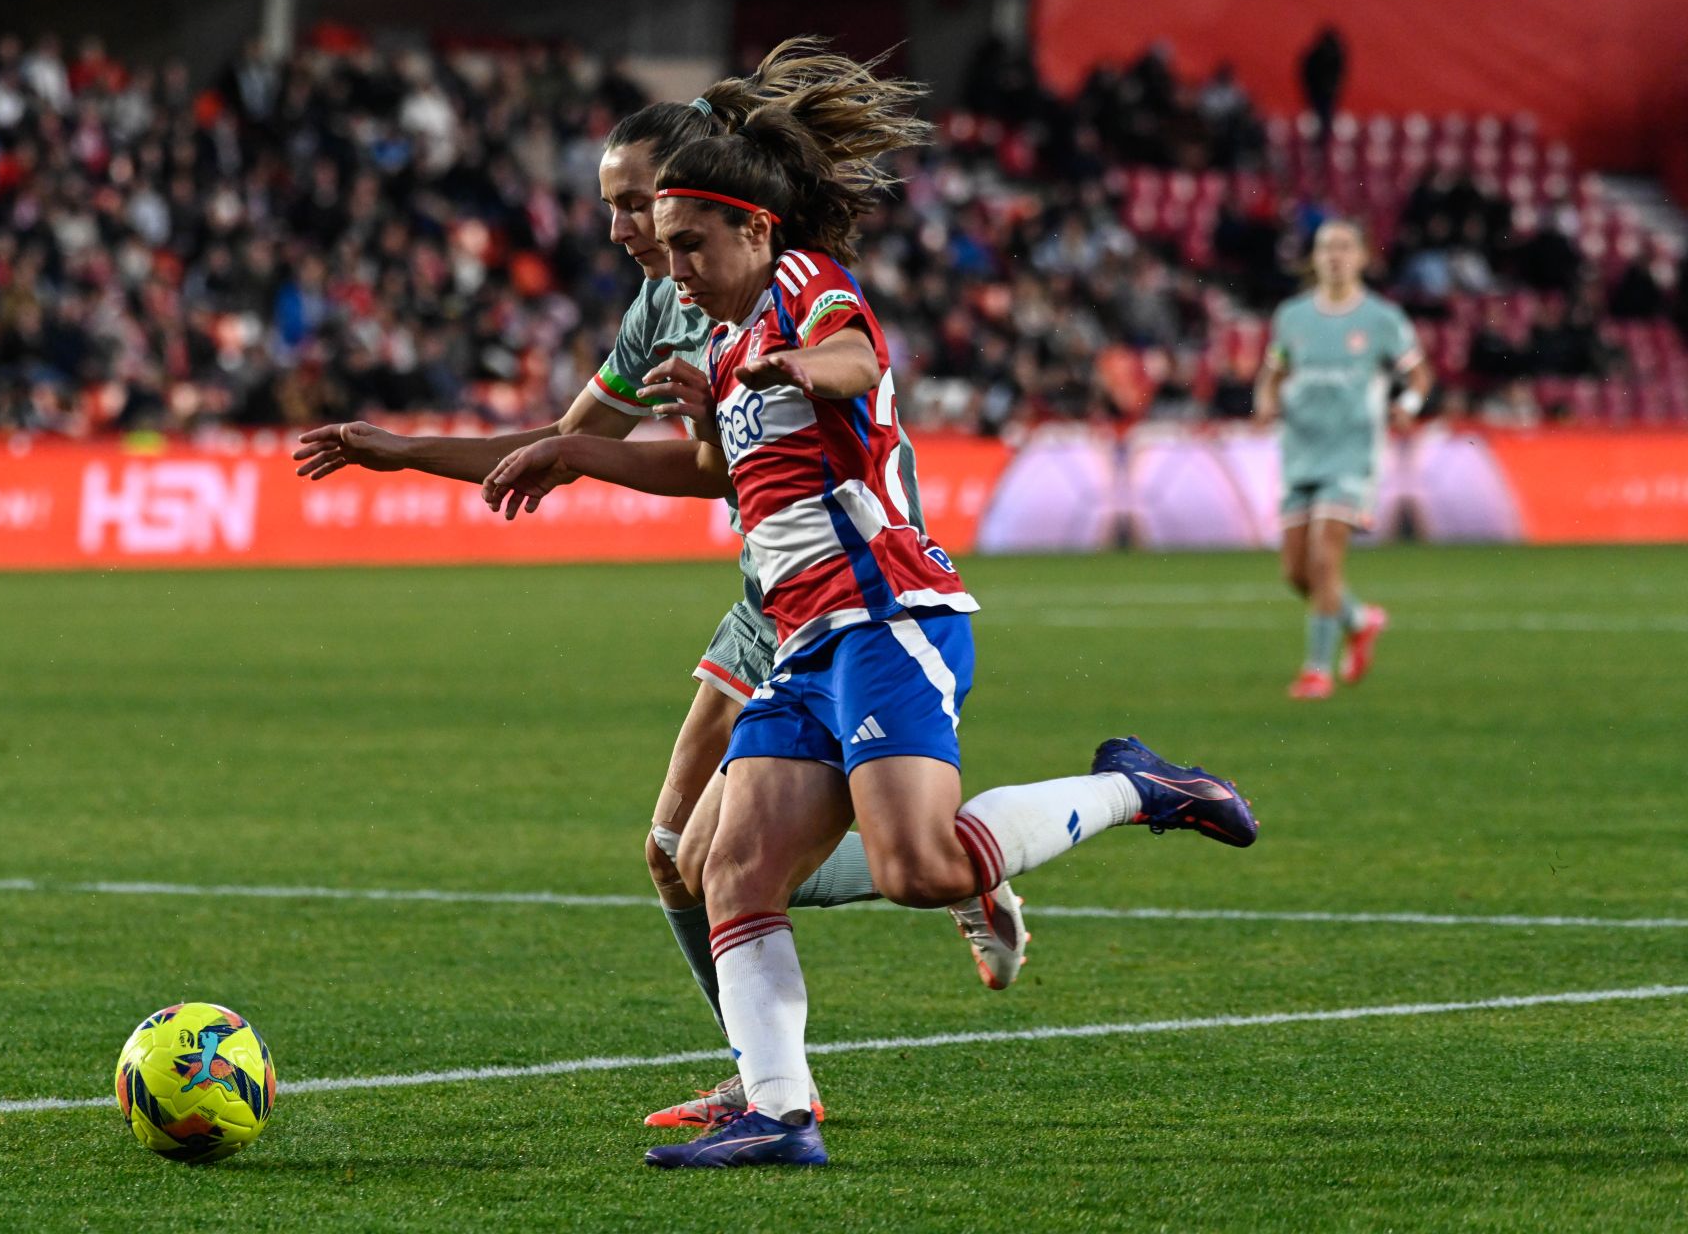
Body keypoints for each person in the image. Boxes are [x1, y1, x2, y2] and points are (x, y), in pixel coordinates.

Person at [484, 95, 1257, 1170]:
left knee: (917, 868)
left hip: (890, 619)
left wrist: (798, 368)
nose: (678, 268)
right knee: (726, 872)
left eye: (692, 244)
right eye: (667, 250)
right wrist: (575, 452)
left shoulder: (804, 287)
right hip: (801, 646)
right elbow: (702, 472)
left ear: (755, 225)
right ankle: (781, 1110)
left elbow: (853, 358)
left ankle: (1137, 785)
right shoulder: (727, 342)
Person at [292, 42, 1029, 1132]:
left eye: (636, 203)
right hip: (765, 597)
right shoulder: (661, 303)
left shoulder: (776, 274)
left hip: (852, 582)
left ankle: (944, 878)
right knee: (675, 851)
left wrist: (738, 399)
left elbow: (775, 422)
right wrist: (406, 448)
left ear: (705, 194)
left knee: (744, 853)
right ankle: (764, 1067)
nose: (622, 229)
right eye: (612, 209)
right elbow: (568, 442)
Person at [1253, 220, 1433, 700]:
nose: (1334, 255)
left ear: (1361, 257)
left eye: (1344, 247)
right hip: (1300, 454)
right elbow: (1272, 374)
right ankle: (1358, 619)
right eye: (1325, 247)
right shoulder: (1291, 316)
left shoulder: (1382, 319)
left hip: (1352, 458)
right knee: (1297, 573)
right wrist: (1265, 402)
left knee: (1325, 556)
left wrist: (1407, 407)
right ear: (1313, 258)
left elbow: (1419, 378)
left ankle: (1317, 670)